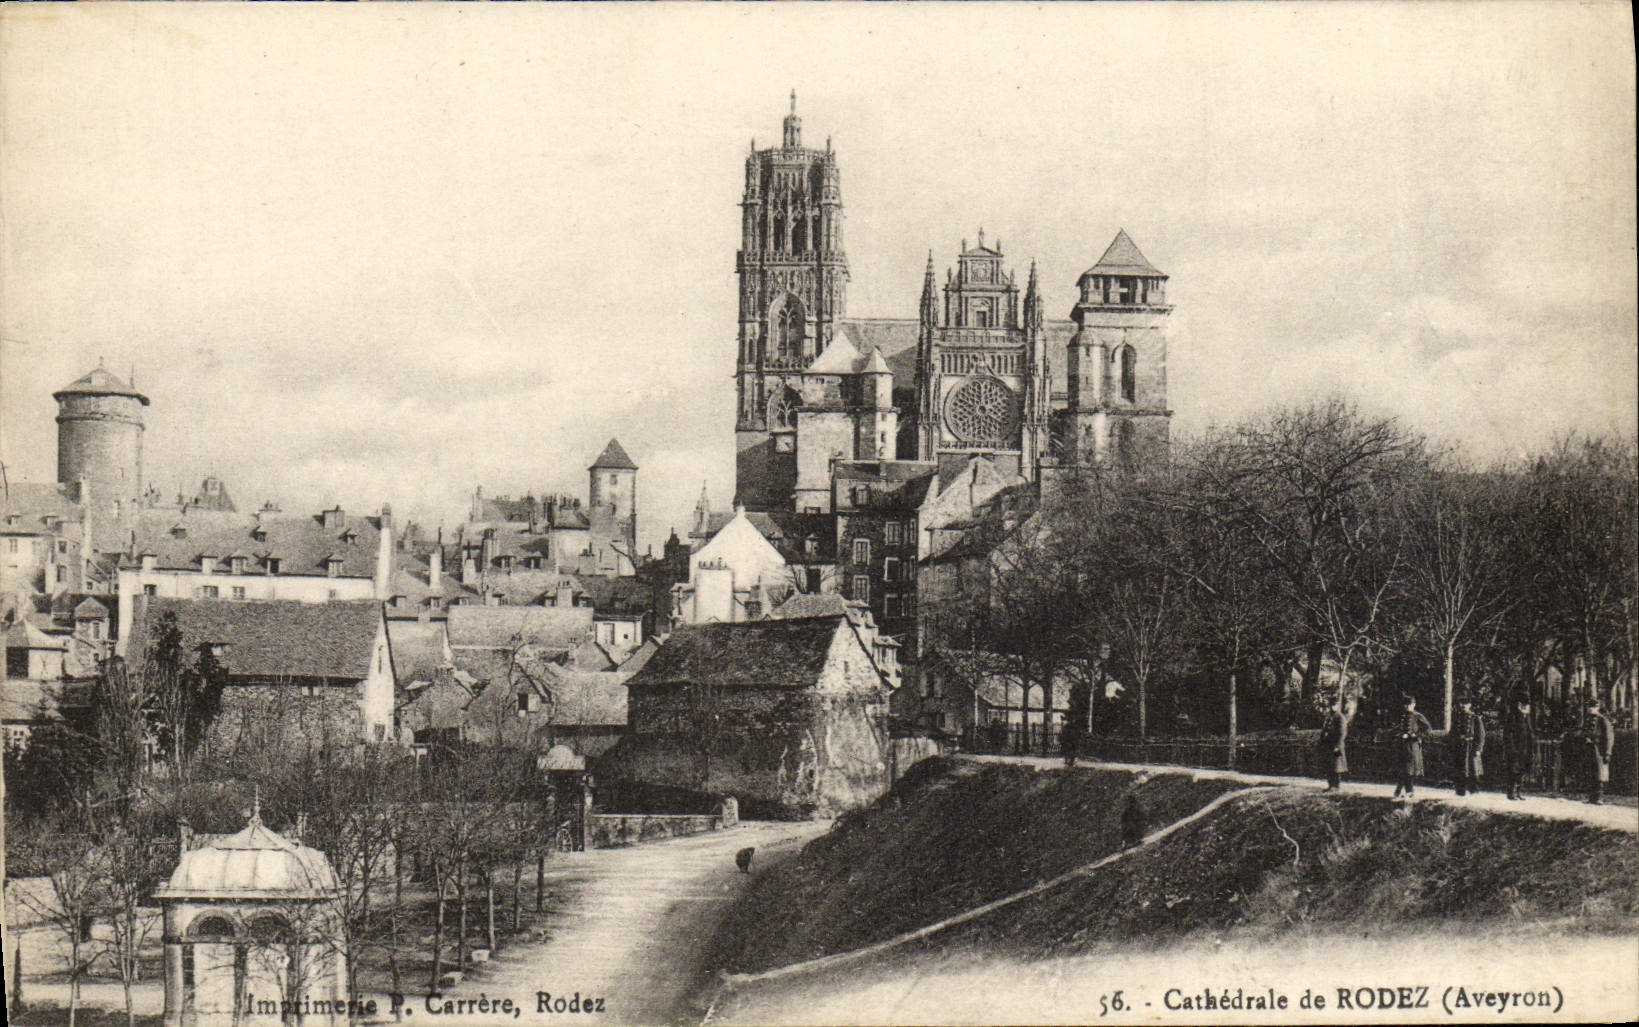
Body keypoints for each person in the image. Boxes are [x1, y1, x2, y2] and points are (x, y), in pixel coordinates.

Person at [1392, 695, 1434, 800]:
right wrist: (1399, 734)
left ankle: (1400, 792)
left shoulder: (1417, 716)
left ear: (1414, 705)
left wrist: (1414, 735)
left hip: (1412, 746)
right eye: (1405, 705)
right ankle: (1408, 792)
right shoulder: (1402, 716)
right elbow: (1397, 728)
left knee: (1408, 769)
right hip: (1402, 746)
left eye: (1409, 705)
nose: (1407, 707)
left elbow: (1428, 729)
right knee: (1404, 769)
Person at [1500, 692, 1537, 801]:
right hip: (1515, 749)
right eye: (1526, 705)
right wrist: (1512, 749)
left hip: (1525, 749)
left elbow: (1530, 733)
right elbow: (1508, 734)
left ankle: (1518, 791)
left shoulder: (1527, 718)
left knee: (1522, 770)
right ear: (1520, 705)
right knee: (1513, 770)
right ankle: (1511, 792)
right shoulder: (1513, 717)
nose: (1528, 708)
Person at [1582, 698, 1616, 805]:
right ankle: (1591, 797)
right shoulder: (1587, 720)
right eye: (1589, 707)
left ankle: (1599, 797)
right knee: (1590, 772)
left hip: (1599, 750)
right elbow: (1585, 732)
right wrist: (1586, 738)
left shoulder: (1603, 720)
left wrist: (1608, 752)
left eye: (1593, 707)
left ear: (1597, 707)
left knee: (1599, 774)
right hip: (1589, 748)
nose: (1591, 709)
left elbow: (1609, 737)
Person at [1451, 695, 1486, 796]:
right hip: (1459, 747)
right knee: (1460, 770)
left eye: (1466, 704)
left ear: (1469, 705)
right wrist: (1453, 745)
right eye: (1461, 703)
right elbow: (1452, 733)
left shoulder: (1475, 718)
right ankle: (1460, 791)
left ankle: (1474, 791)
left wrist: (1479, 748)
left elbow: (1481, 735)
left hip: (1470, 747)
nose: (1463, 706)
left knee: (1472, 770)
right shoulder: (1457, 718)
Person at [1317, 697, 1353, 792]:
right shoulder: (1329, 717)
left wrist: (1337, 746)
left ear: (1338, 706)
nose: (1332, 707)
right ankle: (1330, 785)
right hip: (1328, 745)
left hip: (1336, 745)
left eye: (1334, 705)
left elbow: (1342, 733)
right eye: (1331, 705)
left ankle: (1336, 786)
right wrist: (1322, 741)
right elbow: (1325, 730)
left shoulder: (1340, 717)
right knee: (1329, 765)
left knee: (1337, 766)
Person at [1063, 676, 1092, 768]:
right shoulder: (1072, 722)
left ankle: (1071, 760)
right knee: (1071, 747)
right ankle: (1070, 760)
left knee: (1072, 747)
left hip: (1073, 735)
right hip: (1072, 736)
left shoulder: (1076, 718)